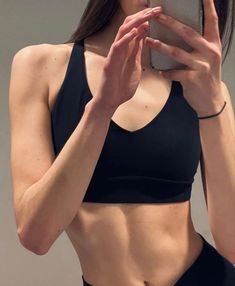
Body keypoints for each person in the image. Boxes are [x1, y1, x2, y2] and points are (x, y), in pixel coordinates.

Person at [9, 0, 235, 285]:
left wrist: (212, 102)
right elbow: (35, 235)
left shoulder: (205, 88)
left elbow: (233, 245)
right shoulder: (42, 66)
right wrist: (101, 107)